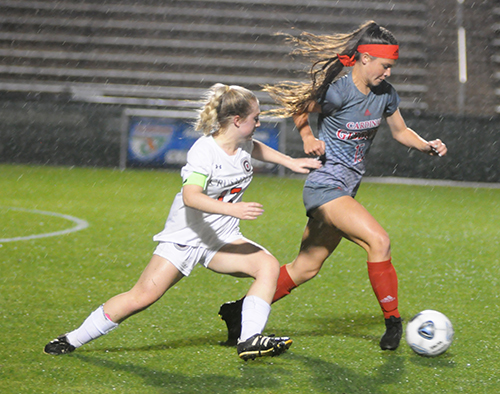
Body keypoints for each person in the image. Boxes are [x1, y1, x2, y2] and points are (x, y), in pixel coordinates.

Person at [43, 83, 322, 361]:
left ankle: (248, 340)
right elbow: (191, 197)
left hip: (221, 240)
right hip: (184, 238)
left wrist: (290, 162)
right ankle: (71, 339)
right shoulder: (204, 152)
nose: (259, 123)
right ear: (237, 120)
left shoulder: (242, 144)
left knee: (268, 266)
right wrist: (233, 211)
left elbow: (254, 147)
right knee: (142, 297)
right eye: (255, 118)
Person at [219, 21, 447, 351]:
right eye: (385, 66)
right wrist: (309, 137)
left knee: (305, 268)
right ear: (366, 58)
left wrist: (426, 144)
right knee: (379, 241)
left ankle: (238, 311)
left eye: (391, 67)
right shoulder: (339, 91)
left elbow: (400, 131)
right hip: (325, 187)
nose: (388, 73)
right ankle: (393, 323)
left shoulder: (386, 95)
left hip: (345, 190)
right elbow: (300, 108)